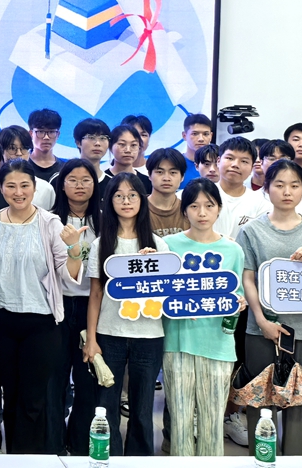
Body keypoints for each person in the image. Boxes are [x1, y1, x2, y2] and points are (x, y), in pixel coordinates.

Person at [0, 159, 84, 454]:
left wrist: (75, 248)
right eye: (11, 186)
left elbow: (68, 274)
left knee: (33, 398)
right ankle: (13, 455)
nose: (18, 192)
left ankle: (29, 457)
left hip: (41, 323)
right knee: (9, 394)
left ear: (34, 187)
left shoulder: (50, 223)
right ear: (1, 188)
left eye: (24, 185)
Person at [236, 159, 302, 456]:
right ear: (267, 189)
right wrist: (261, 320)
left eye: (294, 185)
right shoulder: (251, 231)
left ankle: (297, 460)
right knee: (260, 400)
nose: (287, 191)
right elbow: (247, 278)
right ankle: (262, 459)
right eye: (279, 185)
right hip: (262, 328)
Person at [83, 172, 172, 456]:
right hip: (109, 334)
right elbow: (95, 294)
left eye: (132, 195)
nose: (126, 201)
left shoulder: (158, 245)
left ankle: (140, 459)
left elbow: (167, 291)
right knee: (106, 404)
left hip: (149, 334)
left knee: (143, 407)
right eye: (119, 196)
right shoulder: (101, 244)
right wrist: (91, 339)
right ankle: (106, 457)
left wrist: (153, 266)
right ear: (109, 201)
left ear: (142, 200)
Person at [162, 179, 245, 456]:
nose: (202, 213)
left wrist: (240, 303)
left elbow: (238, 295)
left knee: (212, 423)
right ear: (184, 210)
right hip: (178, 342)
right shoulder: (167, 246)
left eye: (209, 206)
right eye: (194, 206)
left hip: (218, 344)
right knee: (181, 422)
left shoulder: (232, 250)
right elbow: (157, 292)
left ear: (219, 209)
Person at [50, 158, 102, 455]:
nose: (79, 185)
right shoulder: (50, 220)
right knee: (55, 378)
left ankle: (80, 443)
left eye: (86, 180)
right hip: (56, 307)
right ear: (62, 184)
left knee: (87, 379)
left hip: (92, 307)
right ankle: (54, 442)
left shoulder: (105, 220)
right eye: (72, 179)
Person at [214, 136, 263, 240]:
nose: (235, 165)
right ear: (218, 161)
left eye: (244, 161)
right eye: (230, 158)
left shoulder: (260, 203)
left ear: (252, 168)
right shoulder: (199, 195)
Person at [146, 148, 189, 238]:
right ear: (149, 175)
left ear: (182, 177)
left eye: (173, 172)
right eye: (160, 172)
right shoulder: (137, 209)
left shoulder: (188, 210)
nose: (166, 178)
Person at [107, 124, 151, 193]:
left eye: (133, 145)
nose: (128, 150)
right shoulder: (101, 179)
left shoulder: (147, 182)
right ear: (110, 147)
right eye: (122, 144)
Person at [27, 108, 65, 182]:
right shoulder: (21, 166)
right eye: (41, 132)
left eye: (51, 132)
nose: (46, 137)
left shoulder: (65, 168)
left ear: (58, 134)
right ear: (31, 134)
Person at [180, 113, 214, 188]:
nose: (201, 139)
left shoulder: (219, 165)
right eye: (195, 134)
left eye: (206, 134)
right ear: (184, 135)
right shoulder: (175, 163)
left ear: (211, 136)